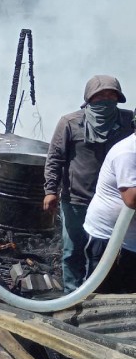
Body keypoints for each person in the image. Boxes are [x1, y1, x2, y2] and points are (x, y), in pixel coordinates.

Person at [43, 76, 132, 291]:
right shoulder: (70, 122)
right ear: (89, 98)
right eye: (100, 95)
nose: (106, 99)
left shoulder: (128, 121)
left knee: (111, 252)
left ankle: (101, 296)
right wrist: (50, 191)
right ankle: (71, 296)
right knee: (73, 250)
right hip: (77, 199)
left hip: (113, 204)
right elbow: (55, 157)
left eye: (111, 95)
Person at [82, 114, 136, 292]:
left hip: (130, 241)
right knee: (98, 297)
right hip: (108, 239)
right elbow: (131, 199)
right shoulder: (128, 152)